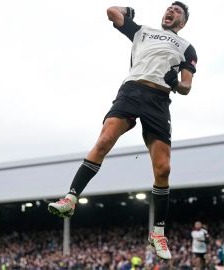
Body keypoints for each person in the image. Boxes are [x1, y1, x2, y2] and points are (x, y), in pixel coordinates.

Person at [48, 1, 197, 261]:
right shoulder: (142, 31)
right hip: (132, 91)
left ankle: (158, 232)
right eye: (169, 9)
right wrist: (127, 10)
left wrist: (176, 84)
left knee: (163, 169)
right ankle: (71, 199)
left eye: (177, 12)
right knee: (105, 139)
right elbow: (111, 12)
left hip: (159, 101)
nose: (170, 12)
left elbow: (186, 86)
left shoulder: (186, 47)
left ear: (182, 23)